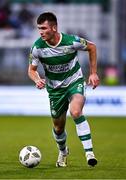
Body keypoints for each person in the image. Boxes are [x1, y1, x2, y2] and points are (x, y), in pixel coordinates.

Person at [28, 12, 100, 167]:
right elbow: (31, 70)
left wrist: (93, 73)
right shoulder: (37, 48)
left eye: (44, 28)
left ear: (54, 28)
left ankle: (89, 153)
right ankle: (63, 151)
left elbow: (92, 47)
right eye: (39, 28)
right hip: (55, 90)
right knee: (58, 127)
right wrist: (37, 79)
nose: (41, 32)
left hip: (74, 81)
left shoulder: (71, 41)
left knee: (75, 111)